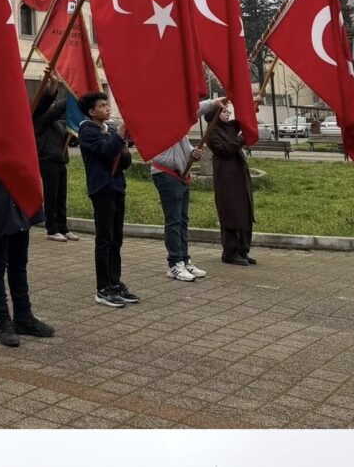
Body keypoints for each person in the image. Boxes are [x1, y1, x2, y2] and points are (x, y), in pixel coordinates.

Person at [0, 117, 55, 348]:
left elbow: (33, 121)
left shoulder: (12, 121)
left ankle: (24, 317)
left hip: (19, 203)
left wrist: (48, 94)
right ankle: (2, 322)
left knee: (19, 263)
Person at [77, 91, 140, 308]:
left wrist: (124, 153)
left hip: (116, 187)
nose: (107, 108)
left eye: (107, 104)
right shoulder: (87, 131)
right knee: (104, 239)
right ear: (92, 111)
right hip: (102, 189)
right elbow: (104, 153)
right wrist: (120, 134)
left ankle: (115, 282)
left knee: (116, 238)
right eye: (102, 105)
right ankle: (102, 288)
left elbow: (124, 161)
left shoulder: (108, 130)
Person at [149, 128, 208, 283]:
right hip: (166, 175)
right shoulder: (162, 122)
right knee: (173, 220)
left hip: (181, 175)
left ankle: (184, 259)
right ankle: (175, 263)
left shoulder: (178, 124)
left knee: (182, 220)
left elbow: (183, 146)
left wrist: (192, 152)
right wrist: (215, 103)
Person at [204, 96, 258, 265]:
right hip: (226, 177)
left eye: (228, 111)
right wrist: (241, 139)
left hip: (239, 175)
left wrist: (253, 105)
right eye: (224, 112)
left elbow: (244, 121)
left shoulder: (229, 127)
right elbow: (225, 149)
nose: (228, 114)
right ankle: (230, 252)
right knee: (231, 213)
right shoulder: (212, 132)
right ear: (215, 114)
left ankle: (243, 250)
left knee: (244, 212)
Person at [34, 74, 76, 241]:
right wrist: (74, 93)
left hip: (60, 163)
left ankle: (63, 228)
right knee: (51, 196)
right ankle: (52, 229)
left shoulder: (58, 125)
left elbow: (71, 131)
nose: (51, 107)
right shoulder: (38, 121)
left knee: (61, 197)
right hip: (47, 161)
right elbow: (55, 109)